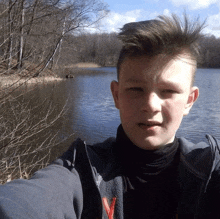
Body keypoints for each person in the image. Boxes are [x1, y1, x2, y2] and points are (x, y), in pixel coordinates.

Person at [0, 14, 220, 219]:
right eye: (136, 89)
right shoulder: (83, 170)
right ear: (116, 95)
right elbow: (24, 202)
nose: (150, 105)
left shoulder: (209, 169)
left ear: (190, 100)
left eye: (168, 91)